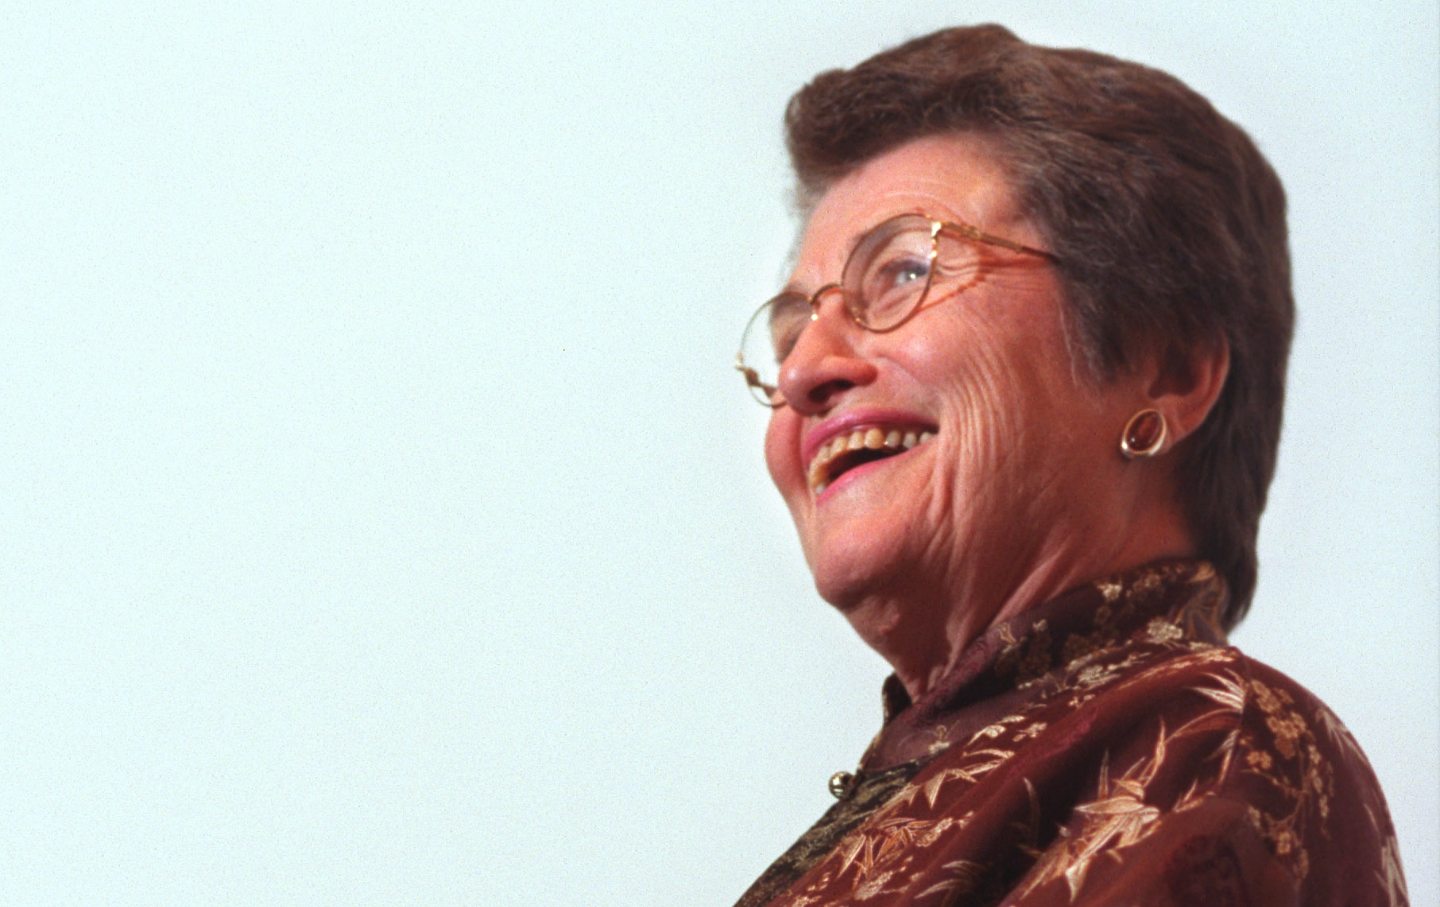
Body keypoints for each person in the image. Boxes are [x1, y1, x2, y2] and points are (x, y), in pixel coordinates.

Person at [731, 25, 1406, 907]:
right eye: (789, 334)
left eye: (901, 272)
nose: (802, 372)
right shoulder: (943, 783)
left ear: (1167, 369)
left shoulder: (1210, 745)